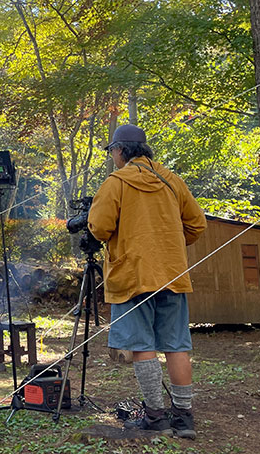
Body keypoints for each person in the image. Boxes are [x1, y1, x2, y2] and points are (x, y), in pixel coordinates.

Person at [87, 124, 206, 439]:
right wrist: (170, 247)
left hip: (132, 277)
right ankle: (184, 418)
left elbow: (98, 227)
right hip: (172, 274)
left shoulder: (116, 182)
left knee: (143, 346)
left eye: (113, 151)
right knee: (177, 345)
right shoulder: (172, 180)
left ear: (121, 151)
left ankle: (156, 417)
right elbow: (197, 224)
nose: (112, 156)